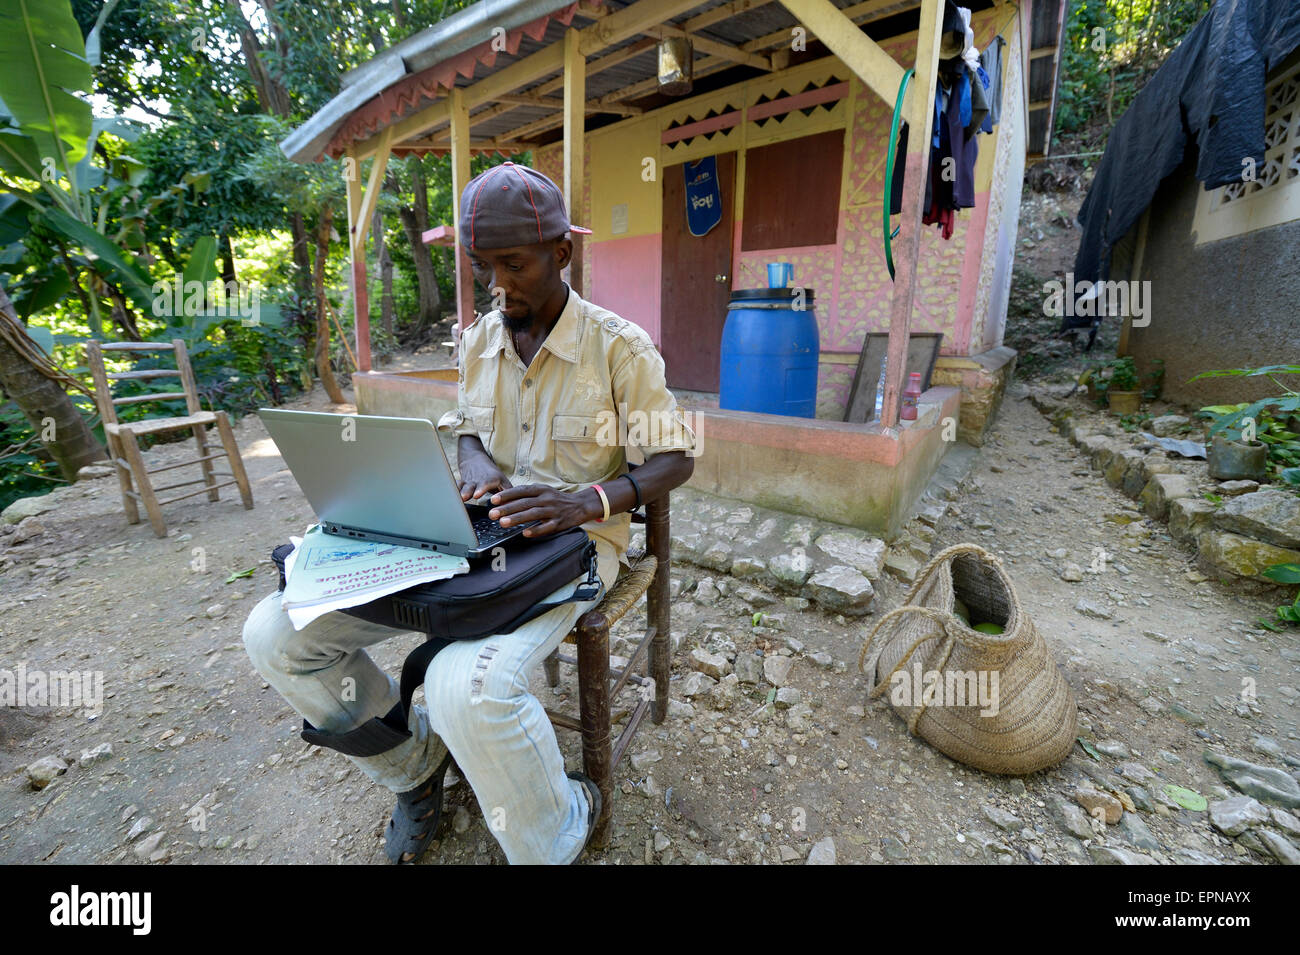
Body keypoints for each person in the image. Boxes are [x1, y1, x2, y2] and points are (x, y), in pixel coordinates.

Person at [242, 161, 696, 865]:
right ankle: (412, 766)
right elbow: (467, 425)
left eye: (514, 265)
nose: (497, 286)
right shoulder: (479, 338)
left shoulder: (618, 346)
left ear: (562, 254)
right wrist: (475, 461)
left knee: (464, 688)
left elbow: (677, 457)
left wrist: (588, 498)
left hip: (571, 546)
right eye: (484, 267)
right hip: (473, 540)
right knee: (275, 633)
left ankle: (562, 825)